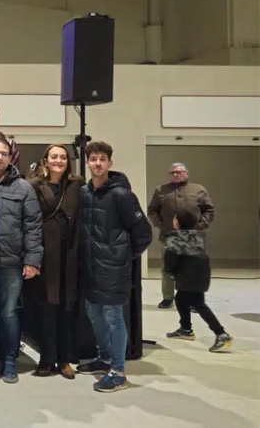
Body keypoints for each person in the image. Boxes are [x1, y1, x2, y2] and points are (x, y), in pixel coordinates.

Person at [75, 141, 152, 393]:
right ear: (87, 163)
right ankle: (105, 358)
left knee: (113, 318)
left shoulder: (122, 195)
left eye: (102, 159)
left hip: (113, 269)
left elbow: (143, 233)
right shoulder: (85, 193)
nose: (98, 163)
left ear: (110, 162)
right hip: (91, 268)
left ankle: (118, 372)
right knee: (94, 314)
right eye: (93, 159)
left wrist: (122, 256)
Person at [0, 137, 43, 383]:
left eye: (4, 154)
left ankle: (10, 359)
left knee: (9, 312)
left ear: (10, 157)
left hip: (12, 262)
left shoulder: (23, 187)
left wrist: (33, 260)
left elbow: (33, 226)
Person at [26, 144, 84, 379]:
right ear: (46, 161)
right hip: (45, 255)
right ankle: (46, 359)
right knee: (46, 309)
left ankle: (64, 359)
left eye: (62, 157)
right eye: (54, 157)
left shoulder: (76, 185)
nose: (58, 161)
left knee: (67, 309)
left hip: (70, 254)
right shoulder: (34, 185)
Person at [164, 209, 233, 352]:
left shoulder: (175, 237)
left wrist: (169, 271)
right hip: (200, 273)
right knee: (181, 299)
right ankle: (185, 329)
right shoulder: (198, 235)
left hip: (187, 274)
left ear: (178, 222)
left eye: (175, 218)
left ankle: (221, 333)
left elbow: (171, 258)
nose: (173, 221)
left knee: (198, 304)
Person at [147, 163, 215, 309]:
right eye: (173, 172)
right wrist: (162, 225)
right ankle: (168, 298)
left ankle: (194, 301)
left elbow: (209, 210)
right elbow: (152, 210)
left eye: (179, 172)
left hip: (193, 237)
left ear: (186, 173)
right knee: (168, 268)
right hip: (169, 236)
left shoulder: (198, 189)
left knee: (193, 269)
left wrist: (199, 226)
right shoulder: (161, 190)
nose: (176, 174)